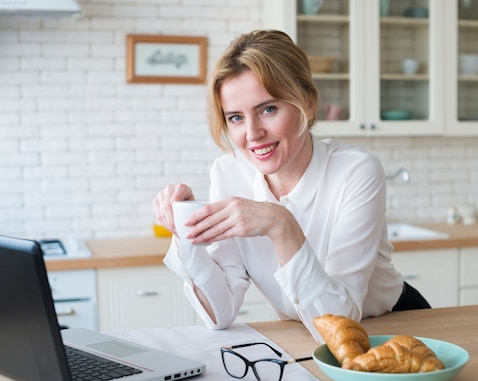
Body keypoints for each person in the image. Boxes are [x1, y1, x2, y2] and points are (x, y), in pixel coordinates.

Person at [153, 29, 430, 342]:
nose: (252, 133)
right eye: (235, 118)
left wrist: (279, 223)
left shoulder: (356, 171)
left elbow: (339, 324)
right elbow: (220, 313)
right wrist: (187, 231)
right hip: (304, 336)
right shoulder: (228, 173)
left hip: (395, 328)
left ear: (308, 104)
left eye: (268, 109)